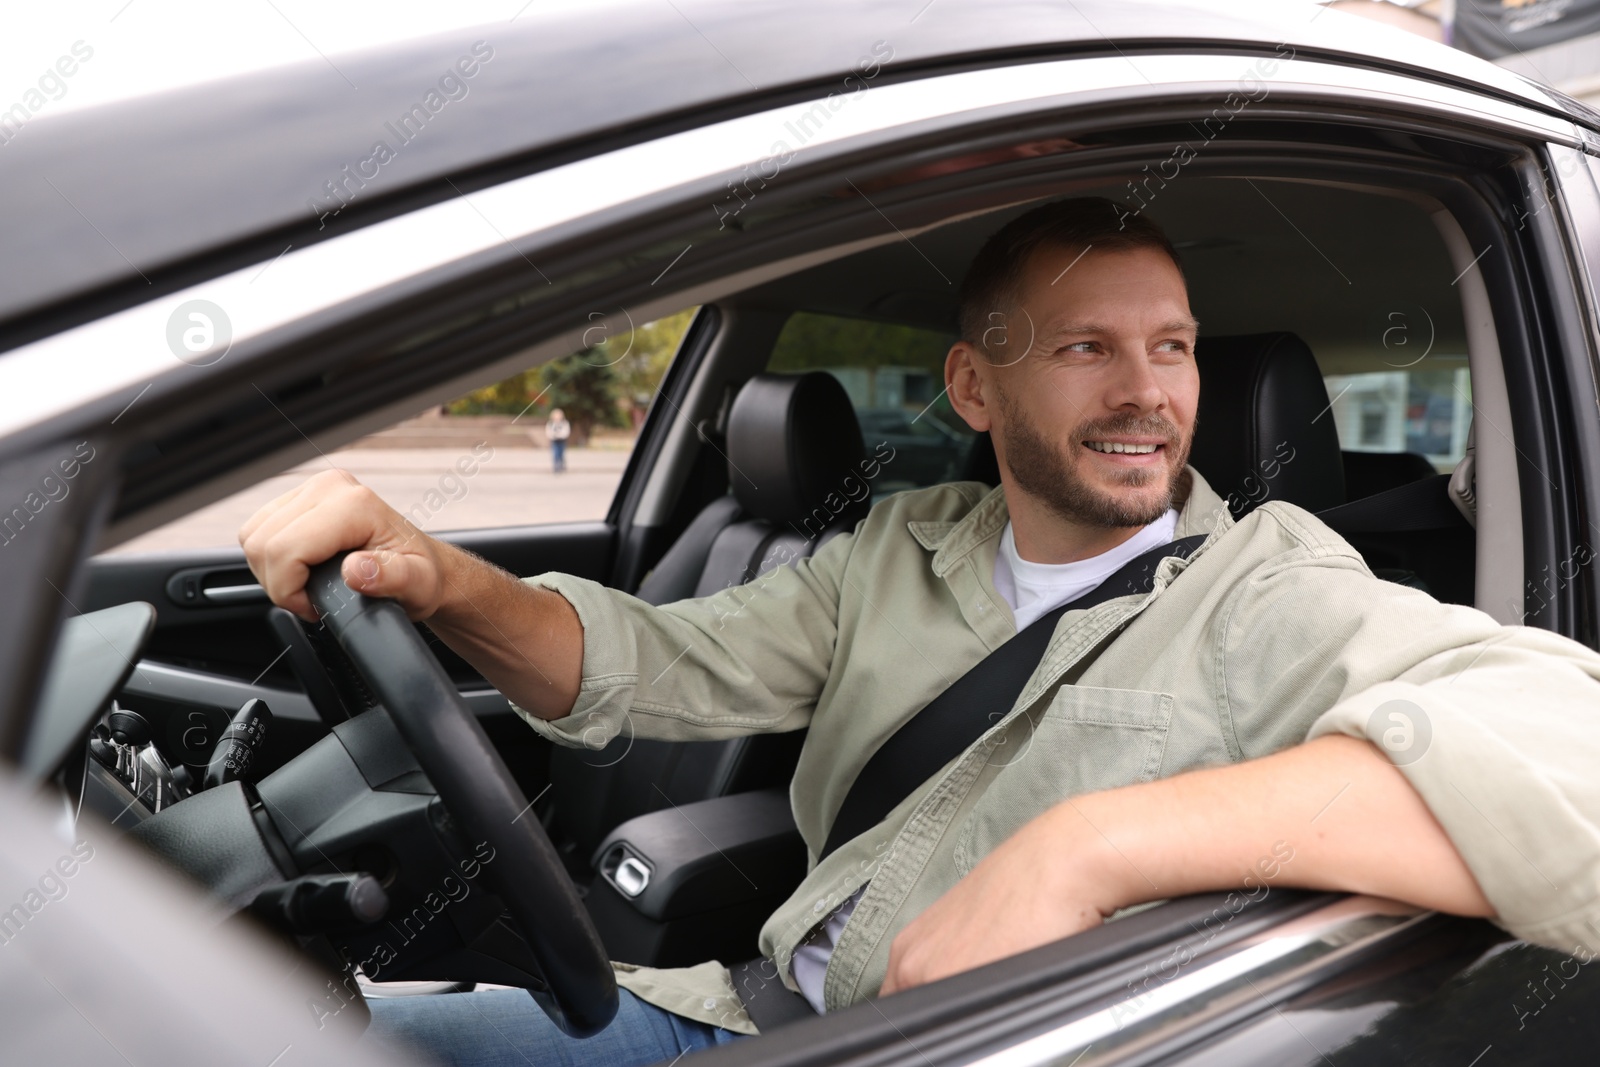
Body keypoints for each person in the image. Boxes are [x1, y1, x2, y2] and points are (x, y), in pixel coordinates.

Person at [239, 198, 1600, 1067]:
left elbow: (1574, 748)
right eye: (1086, 348)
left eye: (1174, 347)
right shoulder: (900, 545)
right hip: (728, 1007)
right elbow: (655, 663)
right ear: (972, 383)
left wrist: (1093, 842)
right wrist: (440, 576)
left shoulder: (1268, 583)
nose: (1146, 393)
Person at [546, 407, 571, 472]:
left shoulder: (564, 423)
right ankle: (556, 466)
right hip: (554, 440)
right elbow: (548, 432)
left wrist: (561, 435)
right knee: (555, 453)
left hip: (562, 440)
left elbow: (566, 432)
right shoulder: (551, 424)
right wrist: (553, 436)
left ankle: (562, 465)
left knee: (561, 453)